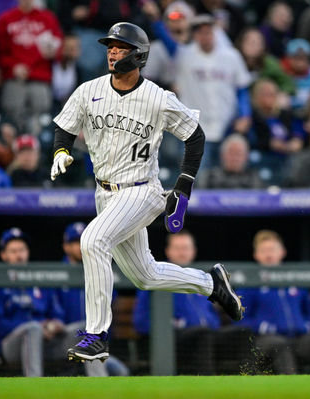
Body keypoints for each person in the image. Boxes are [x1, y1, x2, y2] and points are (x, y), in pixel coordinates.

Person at [50, 22, 244, 363]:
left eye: (120, 46)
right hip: (105, 193)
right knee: (145, 275)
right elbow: (65, 128)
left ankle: (96, 335)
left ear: (138, 55)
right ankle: (211, 284)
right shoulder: (88, 90)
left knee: (93, 241)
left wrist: (183, 184)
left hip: (141, 191)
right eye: (110, 45)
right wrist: (60, 152)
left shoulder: (157, 97)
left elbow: (195, 136)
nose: (112, 51)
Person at [134, 231, 254, 375]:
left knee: (242, 332)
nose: (182, 252)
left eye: (185, 248)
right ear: (168, 251)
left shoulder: (201, 278)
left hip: (207, 335)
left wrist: (212, 325)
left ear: (193, 251)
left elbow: (212, 316)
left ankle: (247, 382)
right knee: (202, 334)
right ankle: (208, 387)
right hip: (173, 340)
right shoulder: (155, 278)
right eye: (177, 248)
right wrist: (173, 326)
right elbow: (140, 321)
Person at [236, 230, 310, 374]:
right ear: (256, 255)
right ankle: (293, 391)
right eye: (263, 251)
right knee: (281, 345)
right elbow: (239, 318)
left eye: (272, 250)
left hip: (297, 338)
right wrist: (262, 326)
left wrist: (308, 323)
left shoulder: (294, 279)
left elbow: (309, 307)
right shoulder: (249, 282)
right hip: (264, 341)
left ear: (282, 252)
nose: (268, 255)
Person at [172, 14, 252, 168]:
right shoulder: (184, 56)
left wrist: (245, 114)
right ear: (195, 35)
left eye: (208, 31)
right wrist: (155, 20)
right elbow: (169, 43)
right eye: (200, 32)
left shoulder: (231, 56)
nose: (205, 35)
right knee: (197, 179)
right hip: (196, 130)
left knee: (229, 177)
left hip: (228, 126)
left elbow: (242, 88)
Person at [0, 228, 70, 377]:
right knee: (33, 328)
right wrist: (37, 328)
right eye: (13, 251)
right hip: (11, 346)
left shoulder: (39, 280)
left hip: (46, 342)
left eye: (22, 250)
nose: (19, 255)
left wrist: (53, 326)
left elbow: (58, 315)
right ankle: (35, 385)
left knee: (84, 329)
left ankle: (99, 385)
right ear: (4, 255)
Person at [55, 222, 130, 376]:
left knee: (121, 372)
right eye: (76, 242)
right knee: (91, 330)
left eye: (83, 240)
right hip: (64, 339)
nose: (81, 246)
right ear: (66, 247)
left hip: (95, 345)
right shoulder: (57, 274)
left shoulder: (100, 270)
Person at [0, 0, 63, 135]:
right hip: (14, 79)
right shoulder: (6, 19)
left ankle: (39, 153)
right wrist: (13, 67)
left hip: (40, 78)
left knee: (41, 122)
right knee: (13, 122)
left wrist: (53, 52)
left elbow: (58, 49)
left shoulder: (47, 18)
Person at [250, 78, 302, 155]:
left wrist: (297, 138)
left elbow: (298, 126)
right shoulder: (252, 117)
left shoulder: (285, 114)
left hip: (287, 156)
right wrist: (269, 143)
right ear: (256, 96)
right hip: (264, 155)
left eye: (272, 93)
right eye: (265, 93)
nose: (269, 97)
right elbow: (252, 140)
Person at [197, 134, 264, 189]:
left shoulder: (254, 179)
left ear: (246, 157)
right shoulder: (208, 177)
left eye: (239, 154)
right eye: (231, 153)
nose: (235, 158)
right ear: (222, 155)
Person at [280, 38, 310, 111]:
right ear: (288, 58)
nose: (300, 61)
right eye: (296, 57)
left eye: (304, 57)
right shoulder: (282, 77)